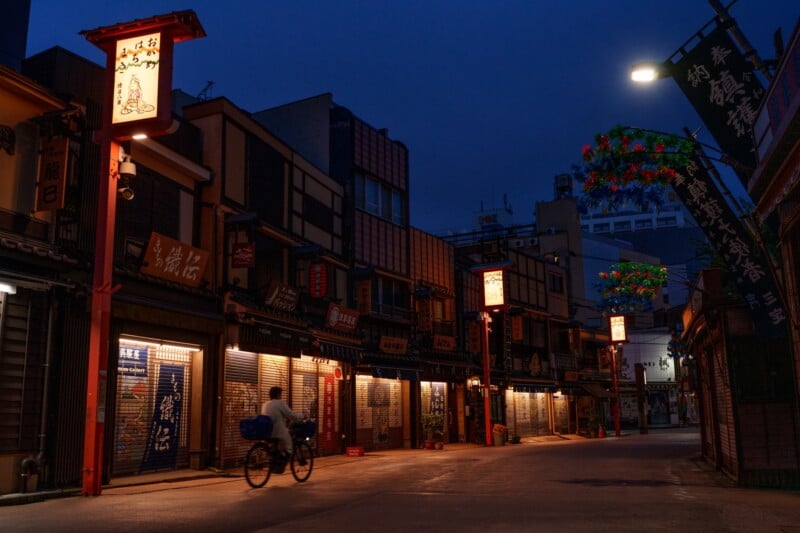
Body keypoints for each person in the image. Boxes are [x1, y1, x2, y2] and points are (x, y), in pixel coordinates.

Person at [260, 386, 302, 457]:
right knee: (288, 444)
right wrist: (301, 416)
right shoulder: (280, 403)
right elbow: (291, 415)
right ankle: (286, 456)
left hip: (266, 432)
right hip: (278, 431)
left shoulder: (265, 404)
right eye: (280, 394)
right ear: (278, 394)